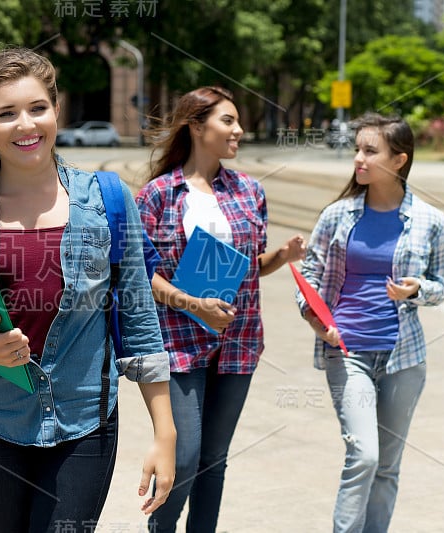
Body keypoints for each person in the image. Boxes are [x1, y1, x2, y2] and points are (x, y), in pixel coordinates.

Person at [0, 47, 176, 532]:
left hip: (86, 423)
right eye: (6, 114)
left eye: (37, 108)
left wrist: (166, 432)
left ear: (57, 110)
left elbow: (140, 322)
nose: (25, 124)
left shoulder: (108, 201)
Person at [134, 86, 306, 532]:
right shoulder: (156, 196)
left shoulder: (249, 191)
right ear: (195, 126)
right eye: (228, 121)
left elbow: (250, 268)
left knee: (214, 459)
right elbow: (140, 274)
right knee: (186, 455)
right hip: (179, 342)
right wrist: (193, 304)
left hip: (239, 343)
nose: (239, 130)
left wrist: (281, 257)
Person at [295, 112, 444, 532]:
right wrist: (313, 316)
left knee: (387, 465)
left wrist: (417, 289)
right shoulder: (337, 215)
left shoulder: (430, 221)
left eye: (369, 151)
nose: (358, 159)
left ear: (399, 160)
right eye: (357, 150)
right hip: (347, 351)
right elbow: (308, 276)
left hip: (404, 357)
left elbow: (442, 286)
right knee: (363, 454)